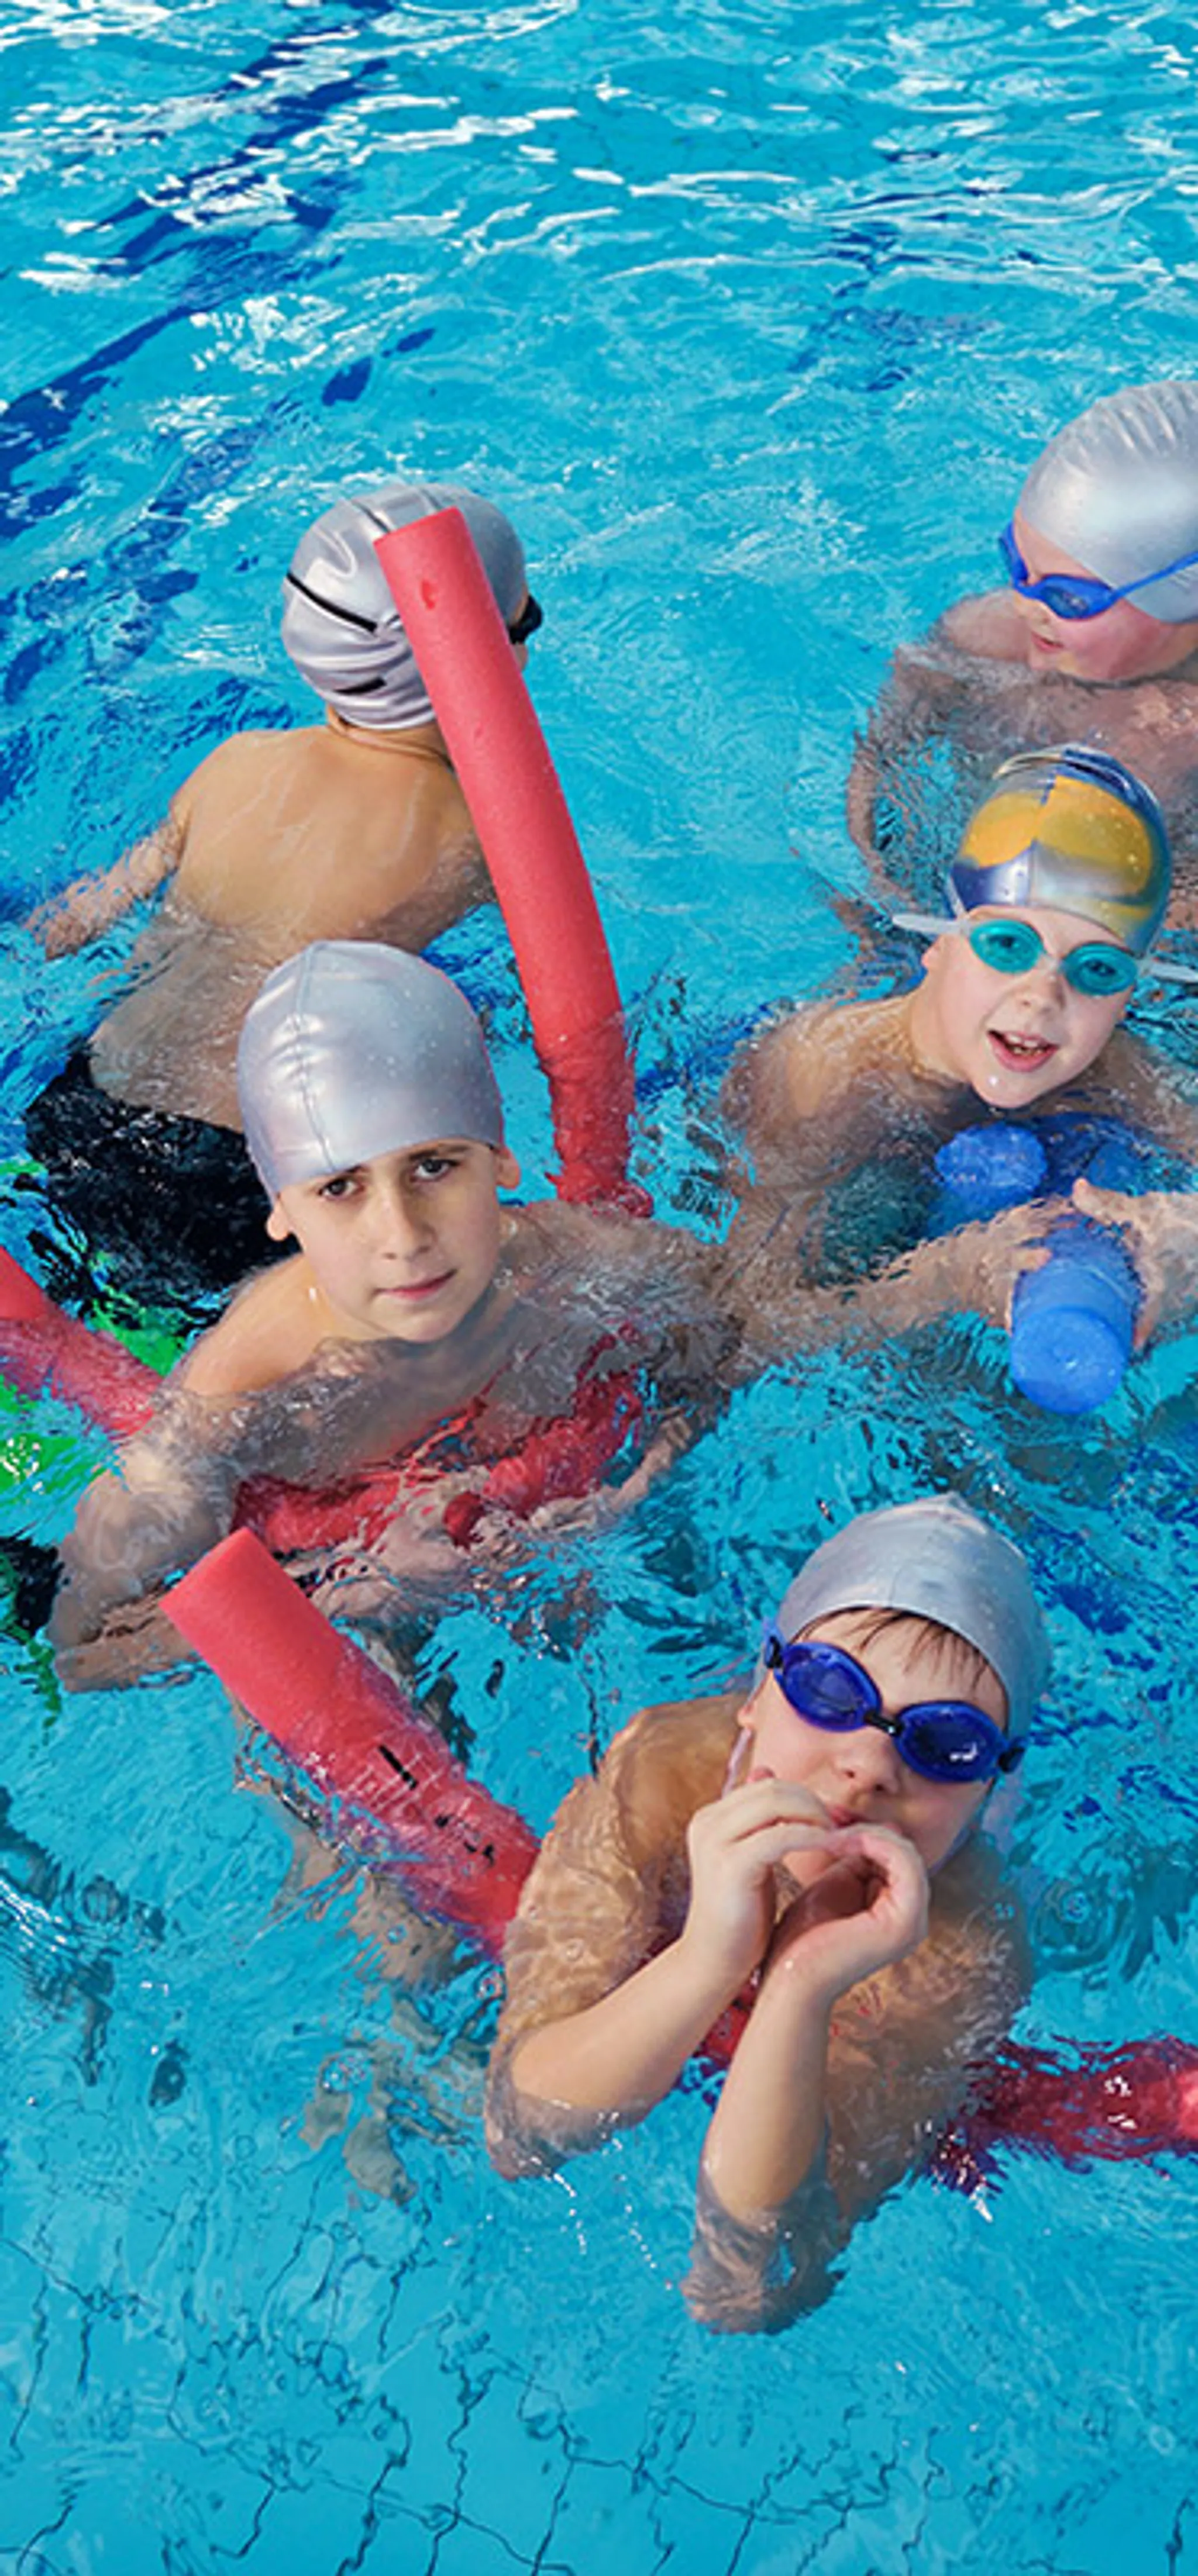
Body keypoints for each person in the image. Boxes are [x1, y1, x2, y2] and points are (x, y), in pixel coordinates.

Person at [45, 943, 1017, 1692]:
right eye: (340, 1187)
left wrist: (945, 1280)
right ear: (280, 1210)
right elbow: (89, 1655)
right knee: (394, 1851)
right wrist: (350, 1586)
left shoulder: (582, 1263)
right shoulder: (232, 1405)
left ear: (500, 1159)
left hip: (536, 1493)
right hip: (336, 1572)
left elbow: (741, 1338)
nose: (402, 1236)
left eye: (434, 1166)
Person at [485, 1494, 1048, 2331]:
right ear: (758, 1693)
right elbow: (517, 2135)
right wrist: (706, 1959)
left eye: (946, 1743)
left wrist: (799, 1990)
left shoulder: (964, 1943)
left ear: (984, 1796)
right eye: (829, 1689)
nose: (869, 1764)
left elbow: (745, 2293)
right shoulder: (666, 1769)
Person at [23, 478, 540, 1315]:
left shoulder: (237, 760)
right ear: (483, 656)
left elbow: (71, 926)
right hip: (233, 1171)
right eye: (527, 624)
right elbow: (542, 1012)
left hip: (82, 1098)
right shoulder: (480, 833)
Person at [724, 743, 1198, 1308]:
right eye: (1008, 945)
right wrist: (945, 1281)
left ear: (1129, 995)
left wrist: (1184, 1234)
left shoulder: (1112, 1065)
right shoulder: (827, 1075)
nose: (1043, 998)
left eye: (1098, 969)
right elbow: (745, 1322)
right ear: (939, 940)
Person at [845, 381, 1198, 927]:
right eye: (1018, 565)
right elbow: (876, 763)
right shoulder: (982, 638)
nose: (1025, 606)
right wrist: (877, 894)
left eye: (1068, 598)